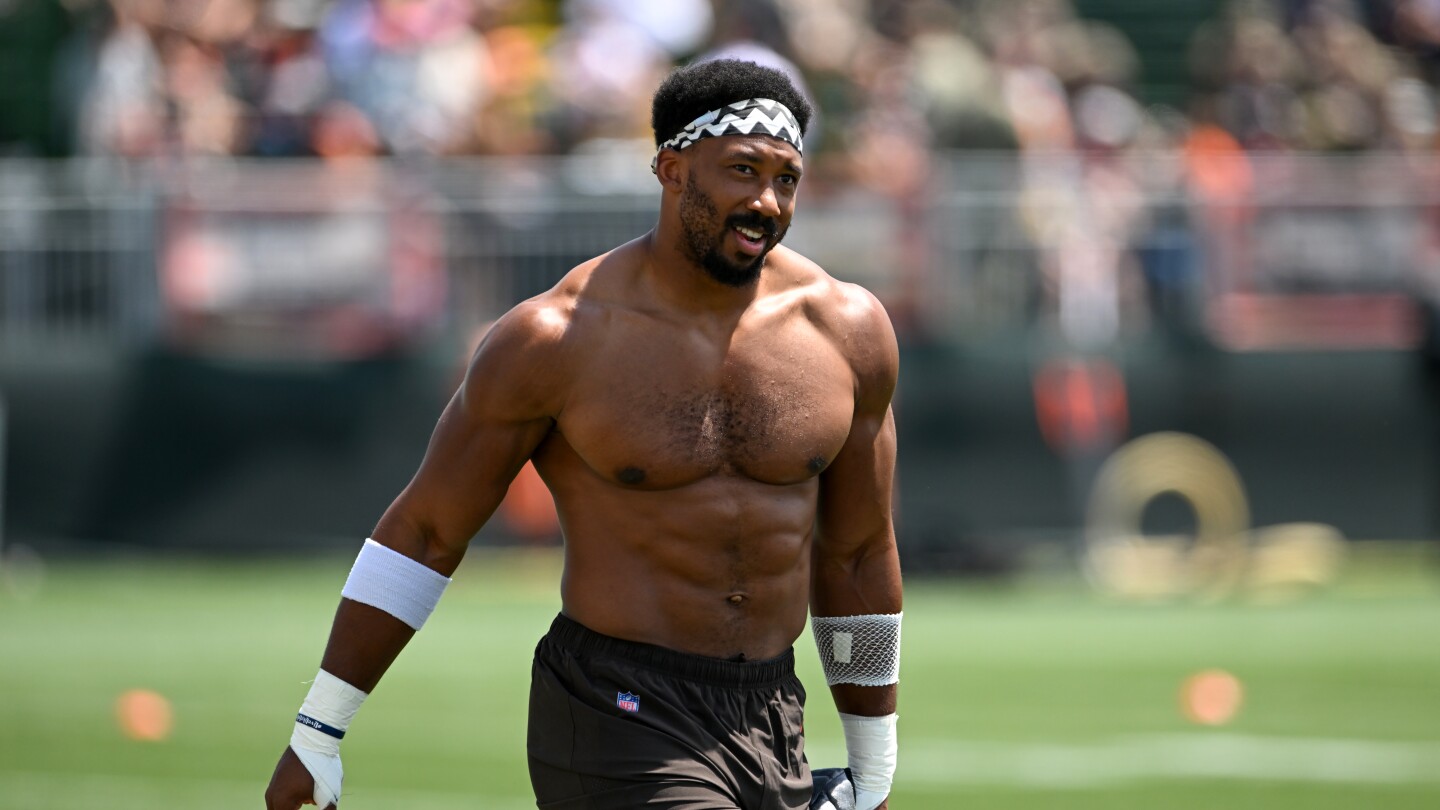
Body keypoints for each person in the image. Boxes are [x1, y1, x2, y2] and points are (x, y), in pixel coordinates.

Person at [264, 58, 903, 810]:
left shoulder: (848, 330)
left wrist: (875, 761)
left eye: (786, 179)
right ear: (671, 169)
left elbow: (858, 554)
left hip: (771, 709)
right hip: (616, 708)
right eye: (742, 170)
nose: (766, 201)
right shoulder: (555, 337)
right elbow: (428, 531)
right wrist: (319, 727)